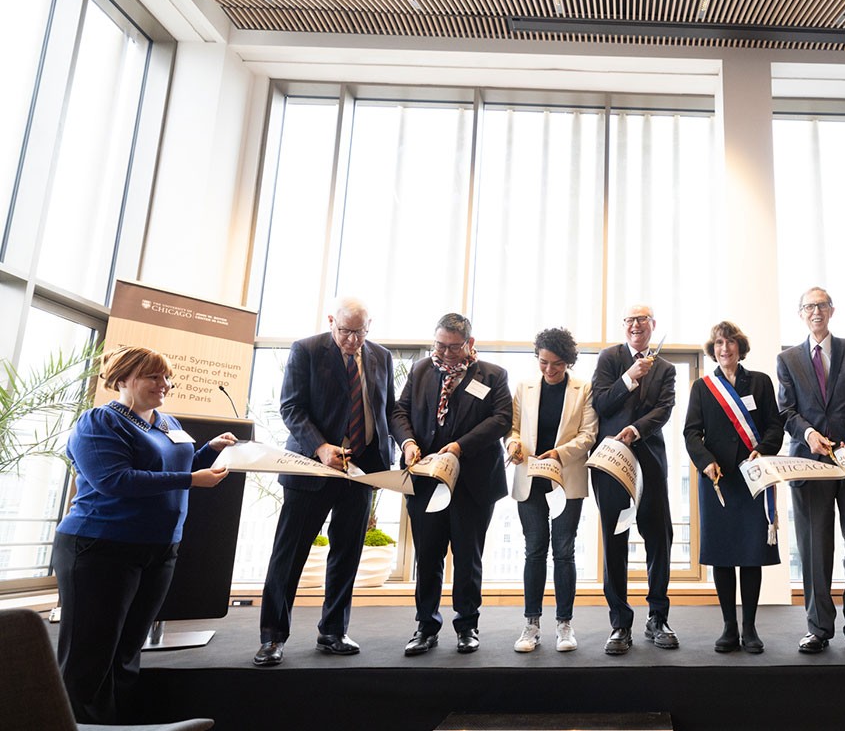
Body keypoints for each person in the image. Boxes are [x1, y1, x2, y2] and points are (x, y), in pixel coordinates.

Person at [54, 346, 235, 722]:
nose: (164, 384)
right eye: (153, 376)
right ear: (122, 379)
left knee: (126, 654)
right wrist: (190, 478)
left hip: (158, 549)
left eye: (166, 377)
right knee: (90, 658)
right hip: (100, 549)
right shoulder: (99, 421)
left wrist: (207, 452)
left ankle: (117, 726)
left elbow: (167, 466)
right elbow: (113, 480)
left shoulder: (167, 423)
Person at [256, 297, 396, 667]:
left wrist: (394, 454)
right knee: (289, 555)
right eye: (345, 331)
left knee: (346, 554)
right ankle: (273, 637)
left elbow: (387, 409)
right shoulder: (306, 350)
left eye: (359, 332)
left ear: (370, 327)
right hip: (312, 468)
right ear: (332, 321)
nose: (352, 340)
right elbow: (291, 407)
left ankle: (333, 632)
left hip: (361, 471)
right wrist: (320, 448)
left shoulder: (381, 356)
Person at [391, 313, 512, 655]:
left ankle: (467, 625)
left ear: (469, 344)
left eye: (452, 347)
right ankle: (425, 626)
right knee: (427, 556)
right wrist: (408, 443)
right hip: (427, 480)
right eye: (439, 345)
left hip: (472, 484)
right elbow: (399, 412)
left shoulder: (492, 375)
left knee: (467, 557)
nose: (444, 353)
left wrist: (460, 447)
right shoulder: (420, 371)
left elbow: (501, 420)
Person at [776, 287, 845, 656]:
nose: (816, 311)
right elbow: (786, 411)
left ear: (832, 310)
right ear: (801, 313)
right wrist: (808, 434)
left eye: (821, 305)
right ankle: (818, 628)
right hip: (810, 463)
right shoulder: (788, 358)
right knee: (813, 549)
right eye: (809, 306)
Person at [683, 321, 784, 654]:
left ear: (740, 347)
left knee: (751, 554)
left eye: (729, 343)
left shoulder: (760, 382)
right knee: (723, 556)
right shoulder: (703, 387)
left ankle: (750, 628)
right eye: (718, 344)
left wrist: (763, 449)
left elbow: (775, 426)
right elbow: (691, 432)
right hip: (719, 481)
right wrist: (705, 460)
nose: (724, 349)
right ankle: (728, 627)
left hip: (752, 477)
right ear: (712, 349)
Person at [591, 303, 678, 655]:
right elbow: (601, 404)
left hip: (650, 462)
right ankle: (619, 622)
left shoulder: (667, 368)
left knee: (659, 538)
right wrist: (630, 377)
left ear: (653, 325)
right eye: (629, 320)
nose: (636, 325)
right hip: (612, 463)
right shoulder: (609, 358)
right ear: (623, 325)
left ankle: (657, 616)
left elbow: (664, 410)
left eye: (642, 319)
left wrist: (636, 430)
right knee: (615, 541)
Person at [506, 327, 598, 653]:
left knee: (563, 551)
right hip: (529, 478)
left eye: (556, 364)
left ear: (568, 361)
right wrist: (514, 444)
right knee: (534, 551)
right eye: (543, 362)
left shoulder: (582, 389)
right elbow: (513, 428)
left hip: (566, 479)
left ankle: (564, 624)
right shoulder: (524, 387)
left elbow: (588, 434)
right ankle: (531, 624)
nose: (549, 369)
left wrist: (559, 453)